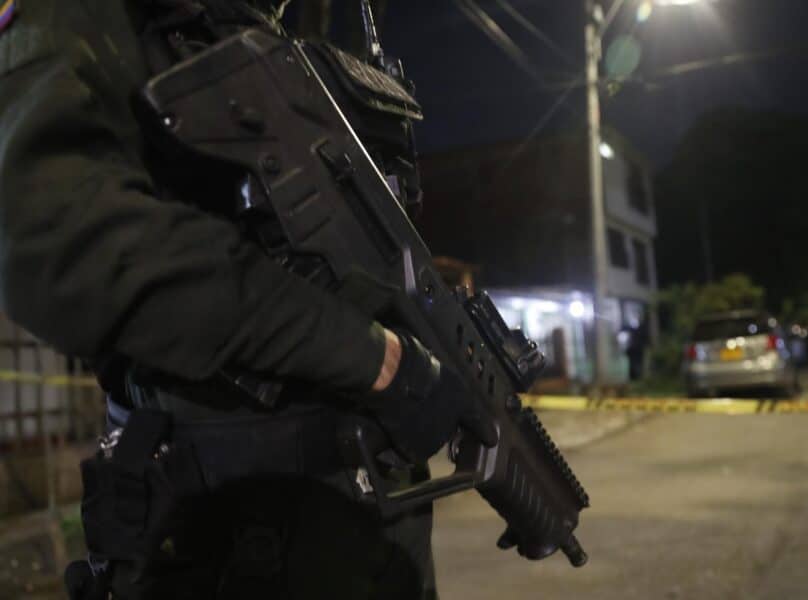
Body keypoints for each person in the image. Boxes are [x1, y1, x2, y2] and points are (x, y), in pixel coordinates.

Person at [0, 1, 496, 598]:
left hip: (369, 534)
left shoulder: (272, 33)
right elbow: (64, 245)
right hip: (226, 541)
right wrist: (375, 360)